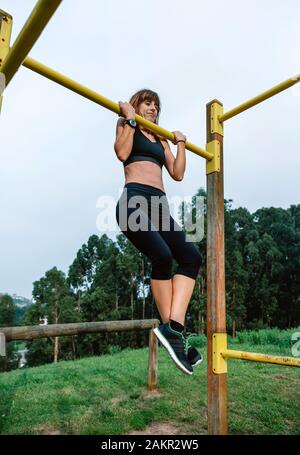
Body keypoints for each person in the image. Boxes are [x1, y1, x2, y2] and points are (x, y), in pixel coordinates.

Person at [114, 88, 203, 375]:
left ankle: (173, 328)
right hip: (134, 202)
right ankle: (173, 332)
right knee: (163, 256)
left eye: (156, 105)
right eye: (147, 103)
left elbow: (177, 173)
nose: (153, 108)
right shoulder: (127, 122)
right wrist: (128, 119)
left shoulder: (160, 137)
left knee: (191, 256)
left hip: (159, 207)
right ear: (136, 105)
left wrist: (180, 145)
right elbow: (122, 152)